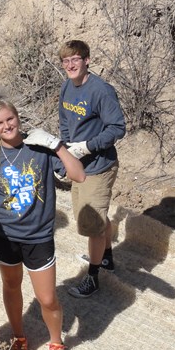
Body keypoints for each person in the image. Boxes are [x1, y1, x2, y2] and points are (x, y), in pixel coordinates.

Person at [0, 100, 85, 350]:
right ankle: (19, 338)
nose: (6, 126)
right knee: (11, 286)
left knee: (47, 299)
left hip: (39, 237)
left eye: (10, 119)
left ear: (17, 118)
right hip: (3, 237)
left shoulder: (40, 149)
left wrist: (56, 144)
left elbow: (78, 175)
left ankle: (56, 343)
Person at [58, 40, 126, 298]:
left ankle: (93, 277)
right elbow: (64, 122)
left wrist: (87, 147)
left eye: (76, 59)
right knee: (93, 217)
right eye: (66, 61)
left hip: (99, 166)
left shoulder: (101, 91)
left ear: (87, 60)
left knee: (92, 223)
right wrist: (64, 155)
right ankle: (106, 257)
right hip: (79, 165)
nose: (71, 65)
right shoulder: (67, 87)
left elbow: (118, 128)